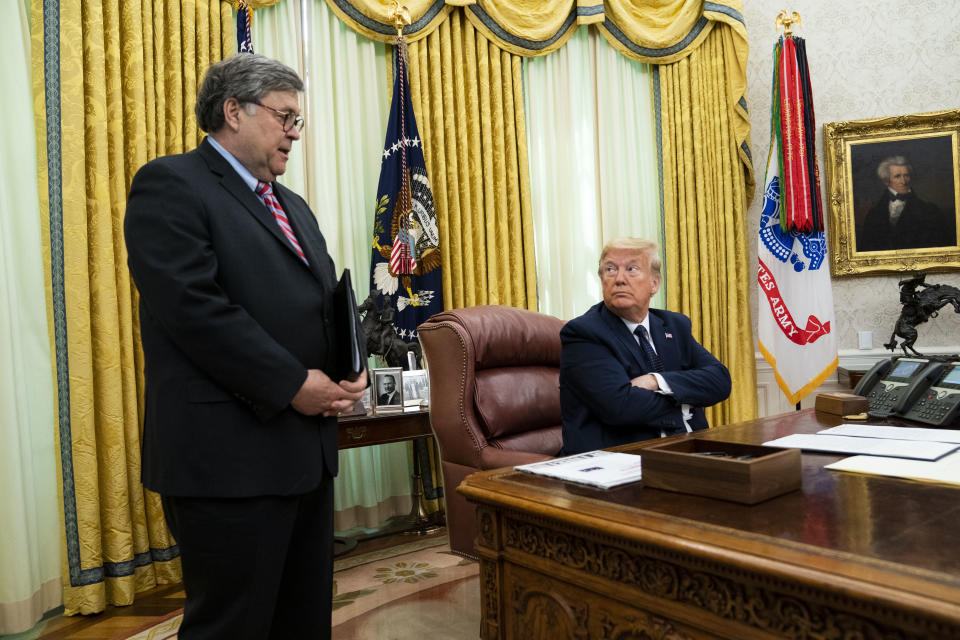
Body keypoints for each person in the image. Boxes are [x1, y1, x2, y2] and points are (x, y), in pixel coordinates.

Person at [123, 54, 367, 640]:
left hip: (303, 454)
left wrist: (347, 370)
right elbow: (195, 310)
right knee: (233, 624)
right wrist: (292, 385)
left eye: (297, 121)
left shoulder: (293, 206)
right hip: (227, 459)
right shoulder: (171, 184)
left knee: (302, 616)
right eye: (285, 117)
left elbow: (320, 301)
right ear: (233, 111)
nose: (293, 132)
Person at [559, 238, 731, 455]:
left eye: (632, 269)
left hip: (690, 451)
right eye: (610, 269)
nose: (619, 279)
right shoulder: (584, 333)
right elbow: (620, 406)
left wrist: (655, 381)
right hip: (621, 461)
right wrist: (687, 402)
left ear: (654, 283)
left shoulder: (674, 325)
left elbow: (720, 380)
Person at [858, 156, 956, 251]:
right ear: (886, 181)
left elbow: (942, 245)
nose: (903, 181)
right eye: (897, 176)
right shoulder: (874, 214)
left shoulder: (930, 211)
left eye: (906, 175)